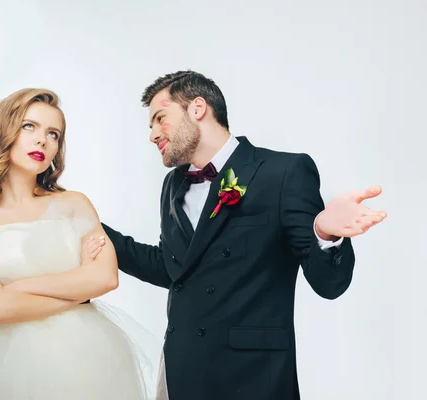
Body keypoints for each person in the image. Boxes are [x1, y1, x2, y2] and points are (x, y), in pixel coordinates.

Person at [101, 70, 387, 400]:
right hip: (181, 372)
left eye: (159, 119)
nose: (152, 134)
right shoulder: (173, 184)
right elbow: (173, 268)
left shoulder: (282, 173)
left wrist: (324, 233)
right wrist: (88, 227)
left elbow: (329, 284)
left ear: (197, 108)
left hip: (250, 379)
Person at [0, 88, 158, 399]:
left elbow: (105, 278)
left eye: (53, 134)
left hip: (87, 359)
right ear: (5, 132)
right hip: (7, 364)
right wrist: (78, 296)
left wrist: (17, 289)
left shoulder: (75, 204)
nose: (42, 140)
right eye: (30, 126)